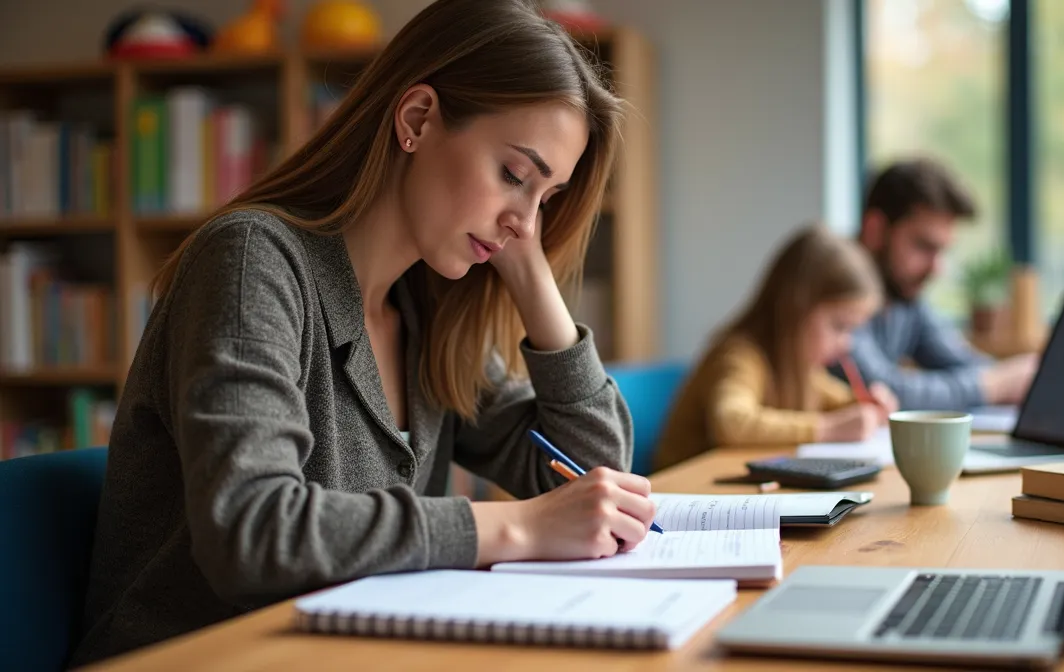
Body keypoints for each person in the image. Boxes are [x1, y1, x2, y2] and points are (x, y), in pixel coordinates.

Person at [70, 0, 655, 665]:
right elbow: (254, 531)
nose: (526, 218)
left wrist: (532, 276)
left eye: (546, 198)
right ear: (417, 119)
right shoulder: (251, 262)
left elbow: (589, 476)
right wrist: (515, 526)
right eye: (513, 175)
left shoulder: (429, 308)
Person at [653, 224, 899, 472]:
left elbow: (835, 400)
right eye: (839, 326)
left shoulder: (800, 367)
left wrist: (866, 405)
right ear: (795, 309)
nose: (848, 342)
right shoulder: (739, 356)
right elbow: (731, 422)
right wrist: (830, 428)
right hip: (687, 497)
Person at [840, 158, 1037, 412]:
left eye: (942, 251)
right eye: (923, 246)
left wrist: (1016, 376)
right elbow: (879, 388)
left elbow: (960, 361)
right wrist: (994, 385)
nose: (936, 268)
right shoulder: (832, 284)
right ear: (875, 229)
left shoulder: (904, 297)